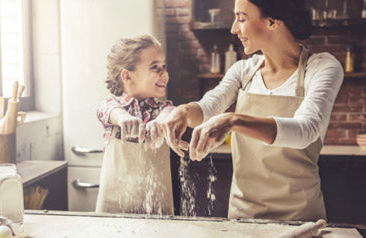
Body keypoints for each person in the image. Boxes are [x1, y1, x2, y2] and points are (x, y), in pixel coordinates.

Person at [160, 0, 343, 221]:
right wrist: (183, 111)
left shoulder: (321, 68)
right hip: (243, 215)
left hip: (301, 217)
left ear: (273, 21)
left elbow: (306, 130)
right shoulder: (244, 71)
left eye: (242, 18)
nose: (234, 28)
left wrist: (233, 120)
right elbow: (209, 106)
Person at [95, 35, 178, 215]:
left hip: (157, 209)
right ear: (127, 76)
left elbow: (169, 114)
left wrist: (160, 122)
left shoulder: (164, 108)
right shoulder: (112, 107)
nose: (164, 74)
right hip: (115, 209)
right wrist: (124, 118)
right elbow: (108, 110)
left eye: (164, 67)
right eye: (155, 68)